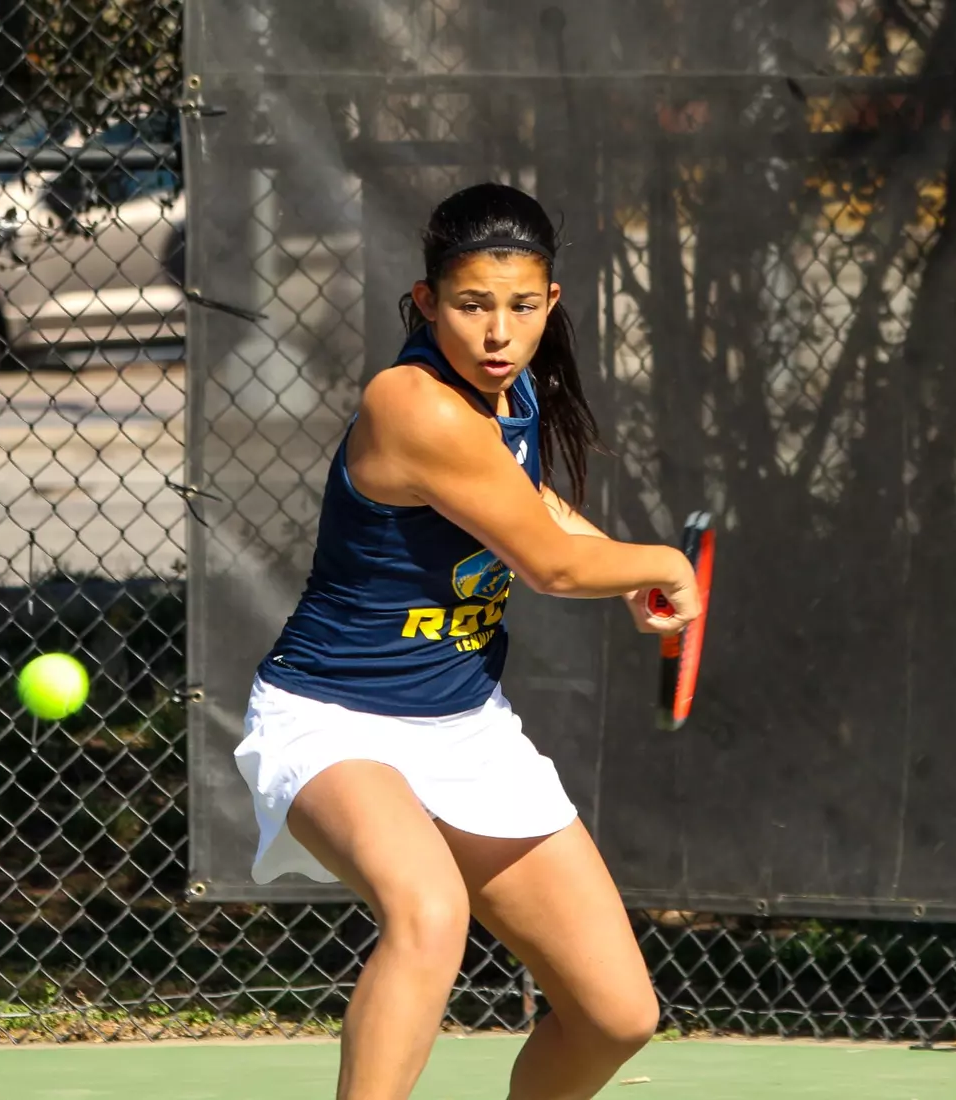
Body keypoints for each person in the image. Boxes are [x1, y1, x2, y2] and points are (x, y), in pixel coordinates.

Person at [233, 182, 701, 1100]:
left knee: (616, 1014)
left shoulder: (511, 391)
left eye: (521, 308)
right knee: (429, 911)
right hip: (332, 721)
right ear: (424, 302)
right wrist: (665, 564)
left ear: (550, 304)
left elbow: (533, 510)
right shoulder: (415, 404)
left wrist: (619, 562)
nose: (497, 333)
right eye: (471, 306)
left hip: (466, 727)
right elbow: (550, 567)